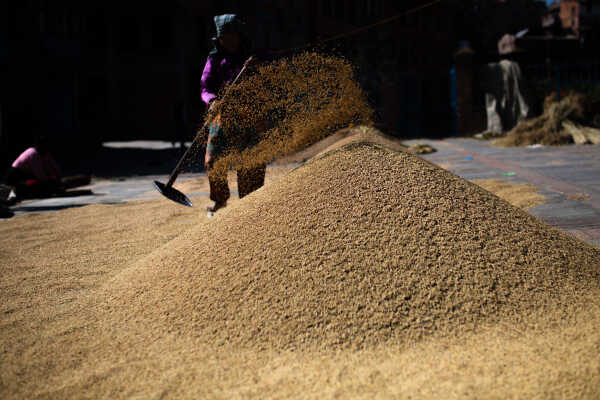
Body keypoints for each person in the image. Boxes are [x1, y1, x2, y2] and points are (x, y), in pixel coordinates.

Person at [200, 14, 267, 214]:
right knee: (213, 160)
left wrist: (258, 68)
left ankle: (250, 206)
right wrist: (211, 101)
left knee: (250, 164)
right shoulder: (214, 59)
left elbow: (267, 81)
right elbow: (206, 87)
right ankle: (220, 201)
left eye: (232, 36)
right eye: (224, 37)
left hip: (252, 116)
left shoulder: (253, 56)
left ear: (239, 35)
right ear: (218, 38)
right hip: (223, 115)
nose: (228, 40)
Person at [4, 136, 90, 200]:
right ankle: (19, 192)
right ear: (39, 146)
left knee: (49, 182)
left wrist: (58, 178)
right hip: (15, 175)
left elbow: (52, 166)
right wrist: (52, 184)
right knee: (40, 185)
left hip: (27, 174)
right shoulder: (33, 154)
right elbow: (40, 175)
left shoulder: (44, 153)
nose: (47, 148)